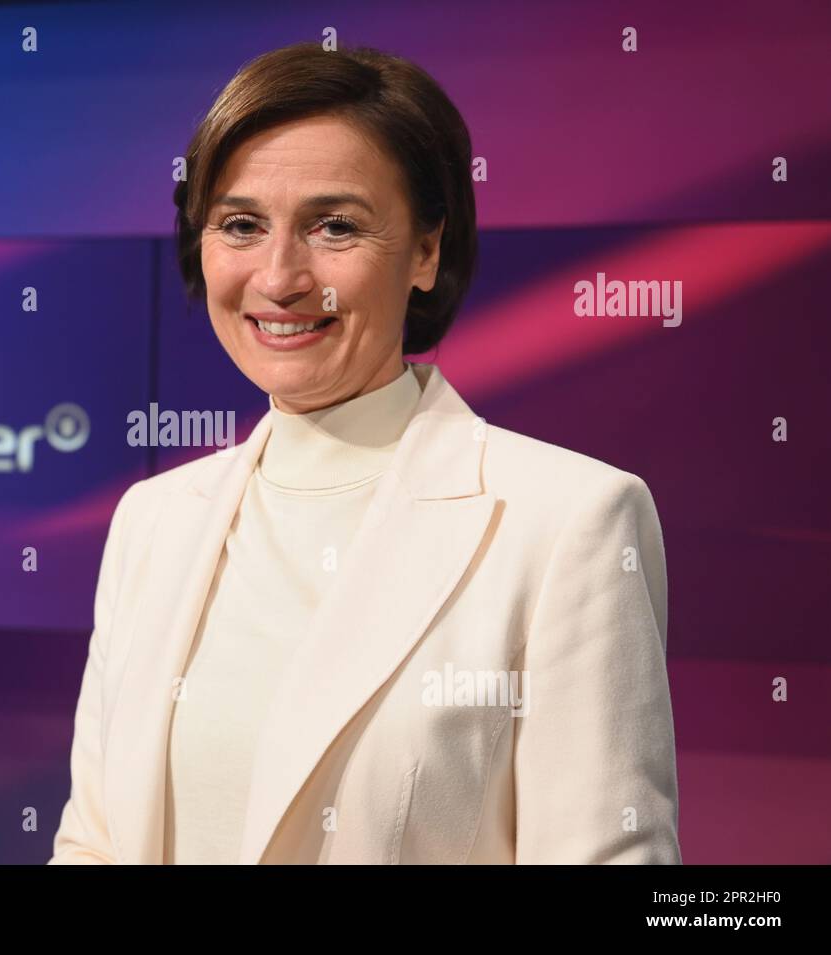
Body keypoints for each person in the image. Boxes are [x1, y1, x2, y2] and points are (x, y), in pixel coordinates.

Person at [49, 41, 680, 864]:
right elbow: (93, 843)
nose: (280, 277)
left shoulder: (571, 521)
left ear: (425, 251)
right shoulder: (153, 519)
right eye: (241, 224)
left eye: (334, 226)